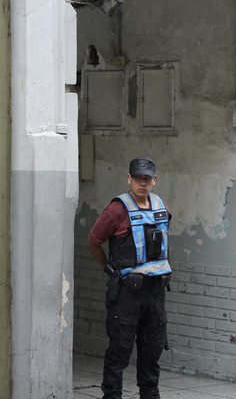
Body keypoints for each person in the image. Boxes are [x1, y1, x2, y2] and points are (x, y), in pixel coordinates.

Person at [87, 157, 172, 399]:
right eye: (137, 178)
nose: (142, 183)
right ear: (129, 179)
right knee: (120, 349)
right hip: (127, 294)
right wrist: (110, 270)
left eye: (147, 179)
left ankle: (150, 394)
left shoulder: (160, 205)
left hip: (155, 294)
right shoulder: (117, 209)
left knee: (152, 349)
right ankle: (112, 395)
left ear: (154, 180)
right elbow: (93, 242)